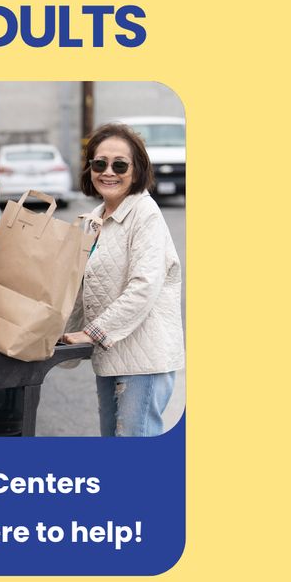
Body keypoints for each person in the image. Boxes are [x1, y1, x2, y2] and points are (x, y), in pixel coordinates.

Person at [62, 123, 184, 437]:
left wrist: (90, 333)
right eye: (99, 163)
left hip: (142, 360)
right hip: (111, 355)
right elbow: (82, 287)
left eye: (120, 164)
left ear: (137, 169)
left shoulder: (145, 213)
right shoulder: (95, 219)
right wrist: (57, 332)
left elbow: (144, 286)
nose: (108, 172)